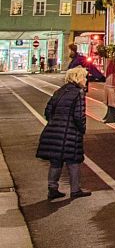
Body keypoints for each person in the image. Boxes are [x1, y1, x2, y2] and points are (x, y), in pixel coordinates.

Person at [36, 67, 91, 200]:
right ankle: (75, 189)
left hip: (53, 130)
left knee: (55, 161)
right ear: (78, 78)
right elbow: (79, 115)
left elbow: (48, 111)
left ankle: (52, 188)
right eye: (84, 77)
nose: (86, 80)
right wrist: (82, 129)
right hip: (70, 131)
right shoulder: (78, 93)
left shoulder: (59, 91)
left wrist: (55, 123)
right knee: (73, 160)